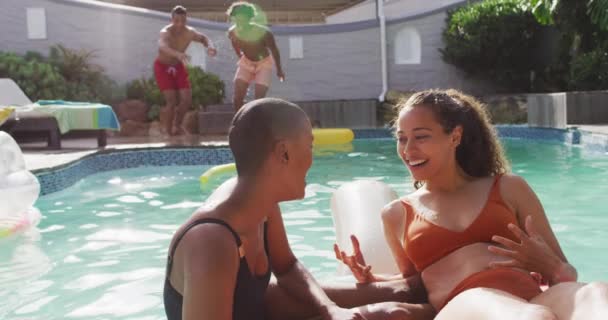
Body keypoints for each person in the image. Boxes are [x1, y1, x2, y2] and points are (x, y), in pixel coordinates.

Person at [336, 89, 608, 319]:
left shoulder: (509, 188)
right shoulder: (397, 214)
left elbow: (566, 272)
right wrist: (373, 281)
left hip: (535, 296)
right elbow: (415, 285)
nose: (408, 150)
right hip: (467, 302)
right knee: (531, 317)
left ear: (455, 136)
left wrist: (550, 265)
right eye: (401, 138)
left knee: (596, 293)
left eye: (420, 137)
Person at [163, 97, 435, 320]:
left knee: (401, 291)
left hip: (260, 307)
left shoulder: (259, 201)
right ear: (283, 153)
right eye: (310, 146)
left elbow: (286, 266)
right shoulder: (213, 241)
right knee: (388, 315)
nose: (312, 158)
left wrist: (329, 310)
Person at [155, 5, 217, 136]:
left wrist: (210, 47)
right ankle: (168, 132)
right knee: (171, 101)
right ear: (172, 20)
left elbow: (204, 38)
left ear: (186, 20)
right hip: (162, 66)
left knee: (187, 99)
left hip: (178, 66)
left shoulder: (189, 32)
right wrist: (177, 54)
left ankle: (177, 126)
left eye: (183, 21)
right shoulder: (165, 32)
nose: (180, 24)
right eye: (177, 21)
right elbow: (162, 46)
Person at [226, 2, 285, 111]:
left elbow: (275, 50)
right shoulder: (232, 32)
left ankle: (256, 123)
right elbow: (234, 44)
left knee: (258, 100)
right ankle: (238, 123)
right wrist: (240, 56)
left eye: (242, 18)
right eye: (236, 18)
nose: (239, 21)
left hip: (264, 64)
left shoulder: (264, 33)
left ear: (249, 18)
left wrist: (279, 70)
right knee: (237, 97)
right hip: (246, 62)